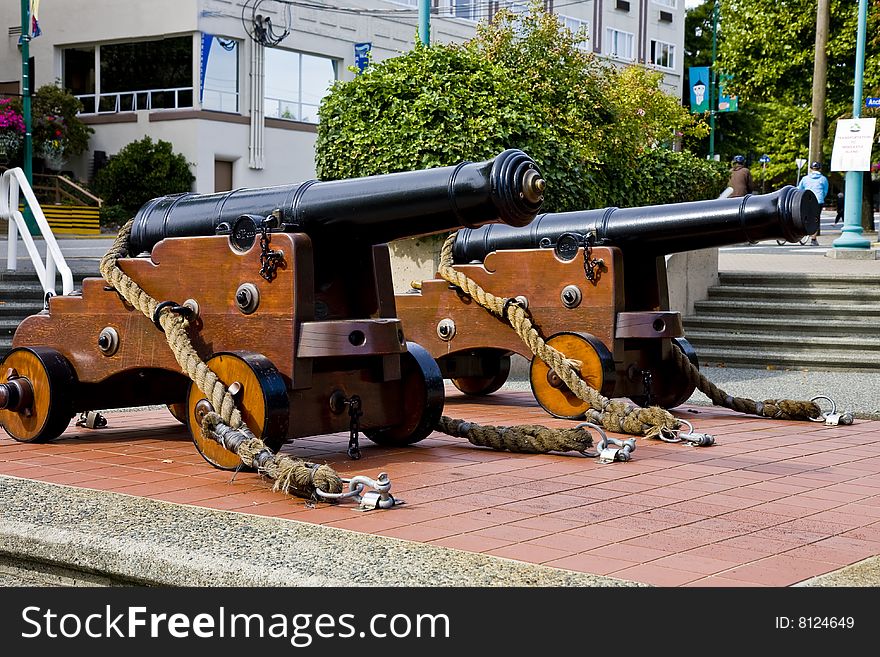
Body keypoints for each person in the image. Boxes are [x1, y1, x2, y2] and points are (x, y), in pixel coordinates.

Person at [797, 161, 829, 245]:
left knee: (804, 217)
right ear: (820, 169)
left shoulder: (805, 178)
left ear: (811, 169)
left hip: (806, 200)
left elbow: (800, 189)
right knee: (815, 219)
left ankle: (802, 234)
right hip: (818, 200)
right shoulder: (823, 179)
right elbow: (825, 191)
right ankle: (813, 239)